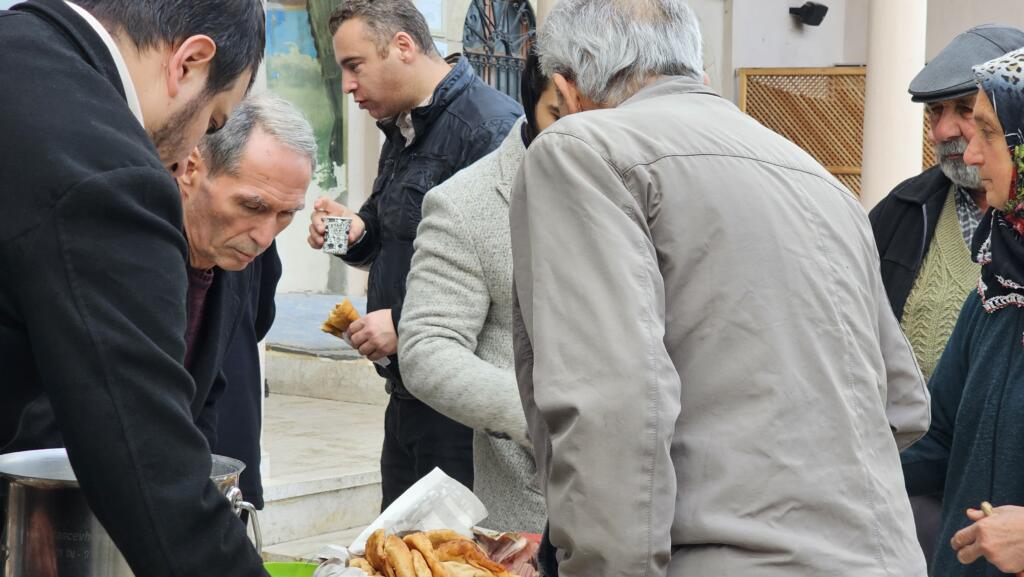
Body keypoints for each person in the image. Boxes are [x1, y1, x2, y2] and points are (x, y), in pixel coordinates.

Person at [510, 1, 931, 575]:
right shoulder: (818, 178)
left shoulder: (582, 149)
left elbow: (611, 409)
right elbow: (904, 406)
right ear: (695, 70)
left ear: (566, 90)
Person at [0, 1, 269, 576]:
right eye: (213, 121)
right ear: (189, 62)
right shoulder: (109, 170)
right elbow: (148, 463)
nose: (192, 150)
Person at [306, 0, 522, 508]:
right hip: (408, 396)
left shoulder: (490, 129)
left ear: (402, 46)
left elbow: (509, 275)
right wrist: (345, 234)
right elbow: (383, 238)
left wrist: (405, 324)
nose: (347, 86)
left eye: (354, 66)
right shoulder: (402, 127)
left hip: (463, 416)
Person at [867, 24, 1024, 567]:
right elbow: (937, 436)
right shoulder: (996, 287)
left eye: (987, 129)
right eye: (937, 114)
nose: (970, 152)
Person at [398, 52, 559, 533]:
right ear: (534, 103)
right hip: (534, 514)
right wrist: (538, 418)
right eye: (560, 114)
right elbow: (427, 347)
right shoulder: (466, 202)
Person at [177, 93, 315, 513]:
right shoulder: (132, 246)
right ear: (191, 167)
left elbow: (208, 390)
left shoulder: (237, 250)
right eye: (252, 206)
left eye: (286, 214)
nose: (265, 236)